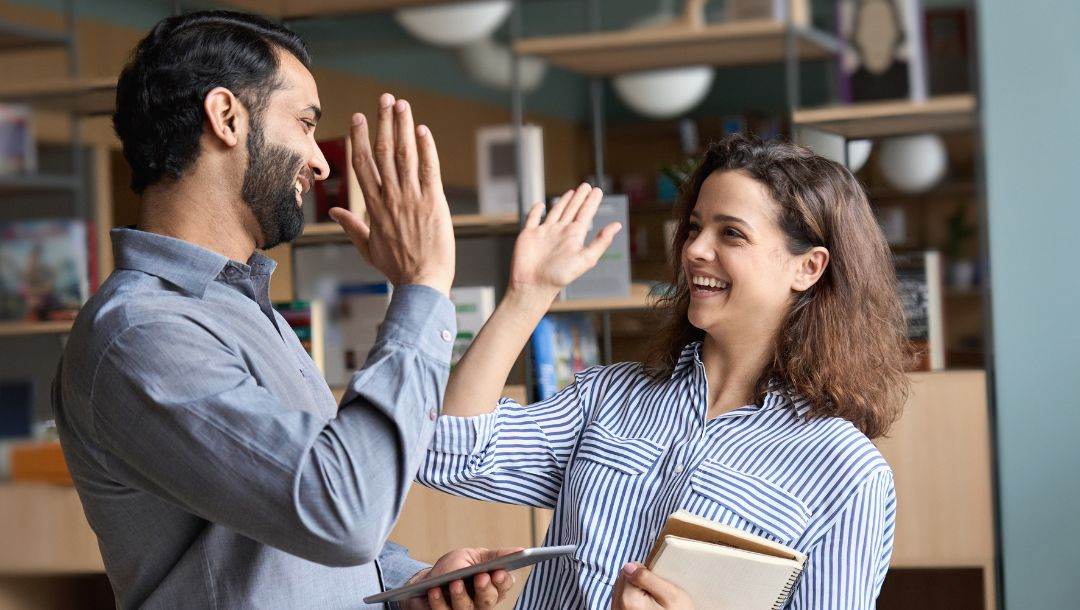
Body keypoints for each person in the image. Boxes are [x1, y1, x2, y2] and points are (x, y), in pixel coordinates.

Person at [52, 11, 517, 610]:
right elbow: (342, 512)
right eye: (303, 123)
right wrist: (422, 284)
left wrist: (408, 585)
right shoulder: (142, 333)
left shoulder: (242, 307)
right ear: (226, 118)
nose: (320, 162)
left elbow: (287, 524)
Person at [416, 135, 909, 609]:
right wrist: (527, 295)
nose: (693, 249)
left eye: (731, 233)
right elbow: (448, 453)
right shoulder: (608, 397)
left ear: (809, 267)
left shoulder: (848, 474)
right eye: (695, 227)